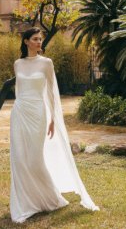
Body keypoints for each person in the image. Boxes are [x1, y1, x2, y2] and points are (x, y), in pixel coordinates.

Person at [9, 27, 99, 223]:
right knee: (19, 159)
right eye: (35, 39)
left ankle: (51, 198)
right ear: (26, 41)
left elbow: (51, 92)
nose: (39, 42)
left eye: (40, 39)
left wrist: (52, 119)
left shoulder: (46, 63)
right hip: (19, 113)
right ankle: (25, 204)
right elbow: (18, 91)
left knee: (34, 160)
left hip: (38, 114)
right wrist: (17, 111)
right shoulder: (18, 64)